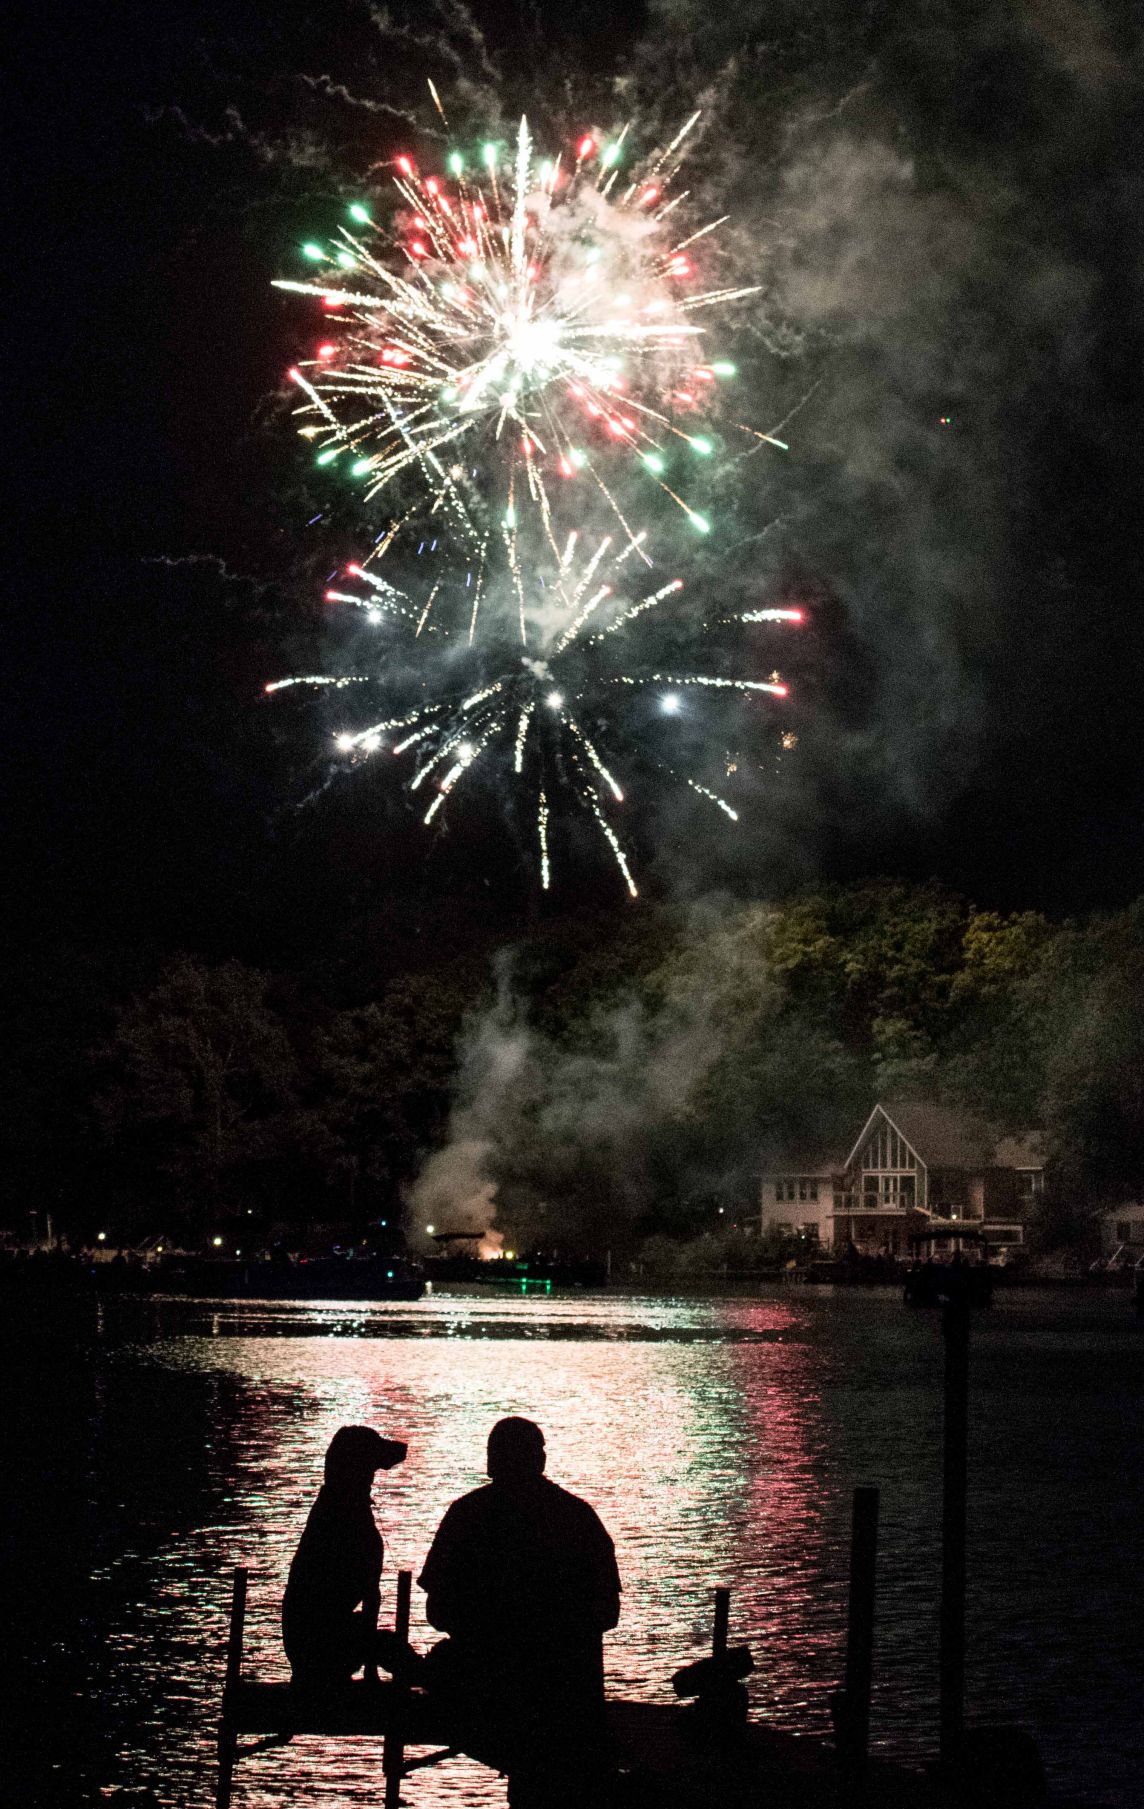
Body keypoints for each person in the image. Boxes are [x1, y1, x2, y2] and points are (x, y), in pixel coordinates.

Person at [419, 1417, 621, 1808]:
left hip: (489, 1692)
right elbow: (607, 1614)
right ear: (540, 1459)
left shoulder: (466, 1515)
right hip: (569, 1698)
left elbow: (437, 1612)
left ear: (492, 1461)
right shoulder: (579, 1517)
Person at [281, 1424, 407, 1690]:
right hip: (322, 1647)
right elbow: (370, 1593)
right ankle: (436, 1688)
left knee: (376, 1638)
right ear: (359, 1462)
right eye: (375, 1445)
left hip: (305, 1648)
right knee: (386, 1645)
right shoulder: (349, 1520)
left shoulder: (329, 1512)